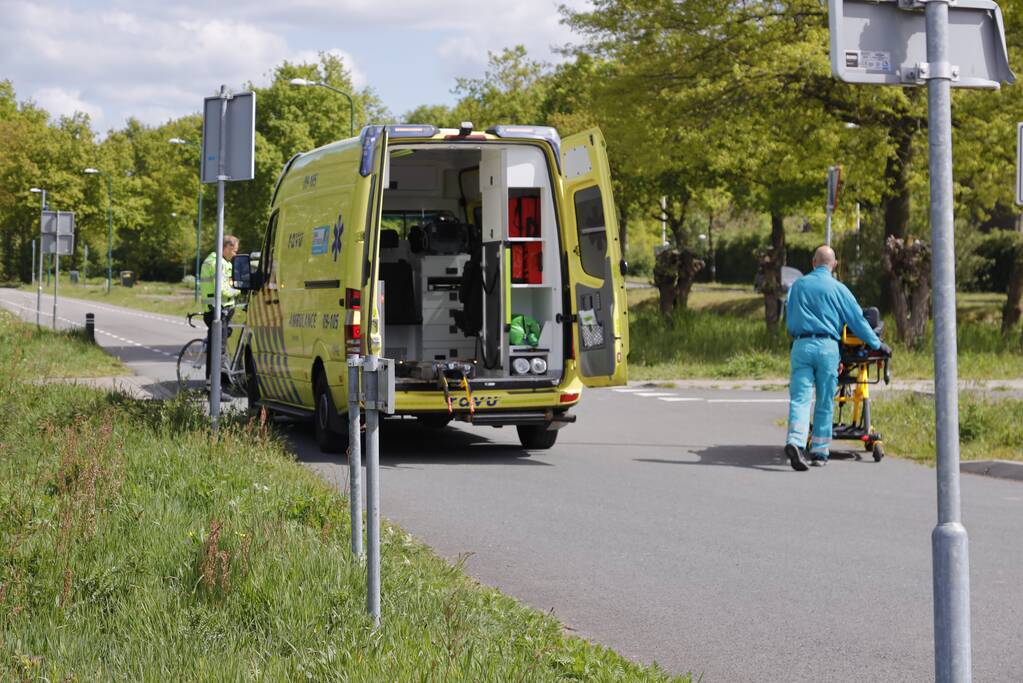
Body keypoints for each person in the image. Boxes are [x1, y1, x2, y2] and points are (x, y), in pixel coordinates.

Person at [784, 245, 891, 471]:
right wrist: (877, 344)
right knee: (824, 400)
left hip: (801, 345)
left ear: (813, 262)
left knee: (800, 399)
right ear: (834, 265)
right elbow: (857, 321)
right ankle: (820, 452)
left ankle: (795, 442)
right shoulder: (839, 288)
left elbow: (790, 319)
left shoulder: (798, 286)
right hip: (827, 347)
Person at [199, 235, 241, 387]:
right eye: (234, 251)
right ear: (227, 247)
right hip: (219, 311)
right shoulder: (218, 264)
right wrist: (239, 290)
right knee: (218, 350)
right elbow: (223, 290)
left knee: (215, 347)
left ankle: (214, 383)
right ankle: (215, 387)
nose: (235, 254)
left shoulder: (211, 260)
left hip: (211, 310)